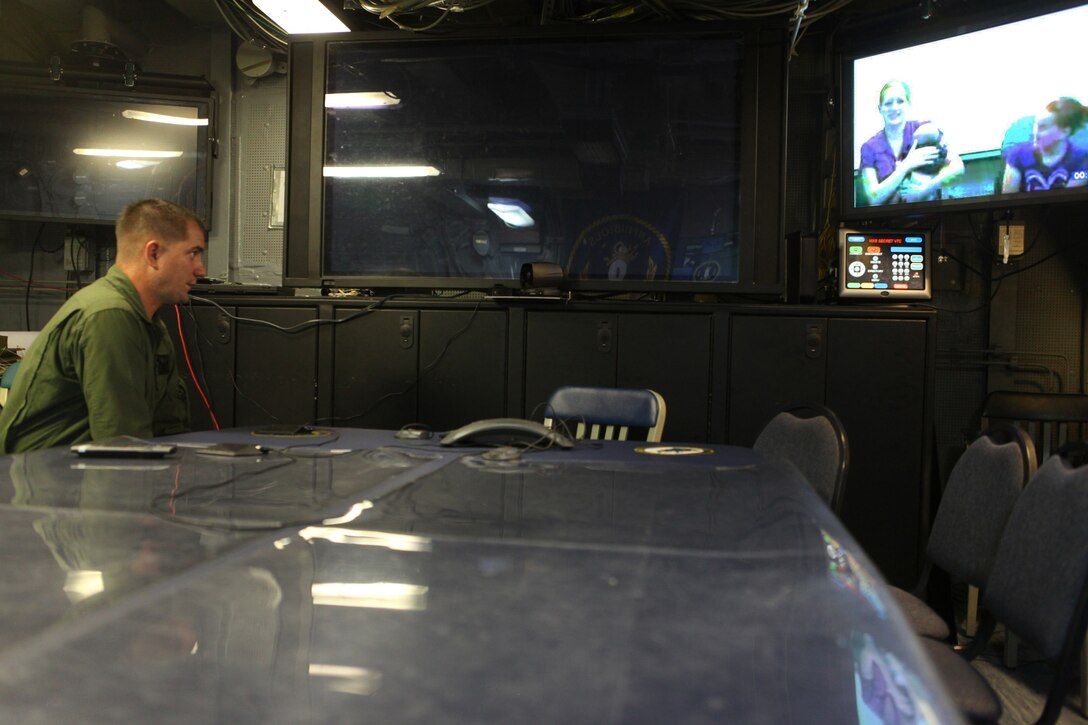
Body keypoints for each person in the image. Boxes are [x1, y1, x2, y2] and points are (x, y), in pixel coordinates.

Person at [0, 198, 206, 454]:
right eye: (193, 253)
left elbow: (166, 428)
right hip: (51, 485)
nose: (201, 269)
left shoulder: (146, 321)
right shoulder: (109, 315)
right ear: (154, 254)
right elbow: (122, 447)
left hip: (76, 479)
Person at [857, 80, 964, 206]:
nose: (894, 108)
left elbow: (958, 167)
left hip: (929, 219)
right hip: (888, 222)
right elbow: (874, 199)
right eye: (888, 103)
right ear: (880, 108)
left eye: (900, 101)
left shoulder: (925, 130)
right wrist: (906, 166)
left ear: (908, 103)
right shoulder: (869, 147)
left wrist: (925, 190)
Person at [1001, 96, 1088, 193]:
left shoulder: (1081, 158)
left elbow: (1069, 200)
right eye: (1035, 125)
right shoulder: (1017, 153)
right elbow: (1008, 199)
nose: (1035, 133)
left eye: (1043, 127)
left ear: (1063, 132)